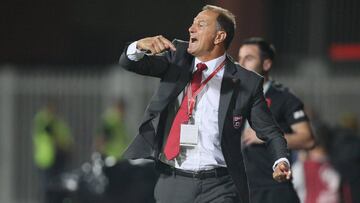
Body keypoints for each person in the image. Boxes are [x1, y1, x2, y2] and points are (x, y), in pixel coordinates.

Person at [119, 5, 291, 203]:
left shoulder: (246, 82)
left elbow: (270, 131)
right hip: (174, 181)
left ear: (219, 37)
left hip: (220, 186)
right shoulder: (177, 58)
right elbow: (130, 63)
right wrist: (138, 46)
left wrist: (281, 160)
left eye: (200, 24)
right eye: (192, 23)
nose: (191, 29)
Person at [238, 37, 315, 203]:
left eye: (249, 58)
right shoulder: (232, 97)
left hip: (273, 189)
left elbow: (307, 139)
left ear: (266, 64)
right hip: (241, 188)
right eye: (240, 58)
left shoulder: (284, 98)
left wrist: (263, 136)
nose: (241, 63)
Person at [33, 102, 74, 203]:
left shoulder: (58, 123)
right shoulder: (42, 121)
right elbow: (48, 136)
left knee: (57, 185)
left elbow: (67, 140)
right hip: (45, 159)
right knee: (47, 185)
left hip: (59, 159)